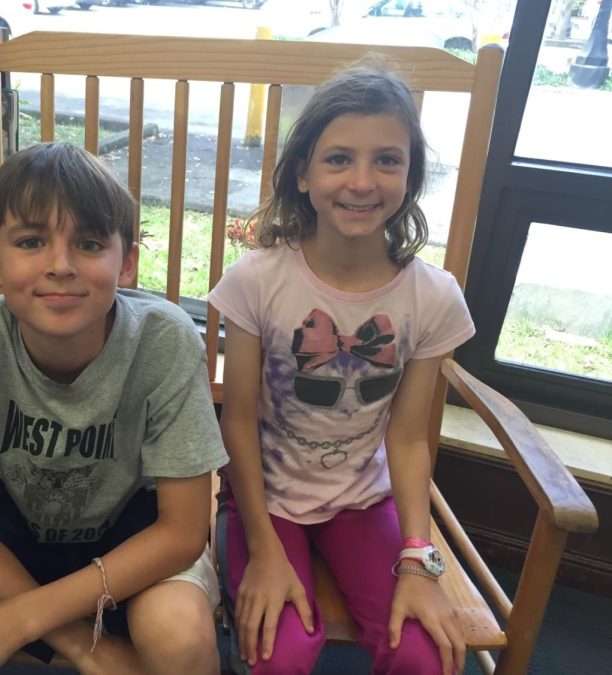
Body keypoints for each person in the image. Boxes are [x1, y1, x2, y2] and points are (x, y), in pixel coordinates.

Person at [0, 142, 228, 675]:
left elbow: (183, 532)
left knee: (179, 639)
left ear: (128, 263)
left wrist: (16, 621)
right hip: (15, 530)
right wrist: (85, 648)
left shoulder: (166, 340)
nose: (61, 266)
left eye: (90, 243)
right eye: (31, 241)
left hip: (136, 538)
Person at [208, 65, 473, 675]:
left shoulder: (432, 299)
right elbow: (239, 421)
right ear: (302, 173)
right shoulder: (256, 281)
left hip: (366, 500)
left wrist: (417, 557)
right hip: (264, 500)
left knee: (422, 655)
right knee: (278, 653)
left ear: (411, 175)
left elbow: (406, 440)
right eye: (337, 159)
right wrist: (266, 550)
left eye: (387, 159)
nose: (362, 181)